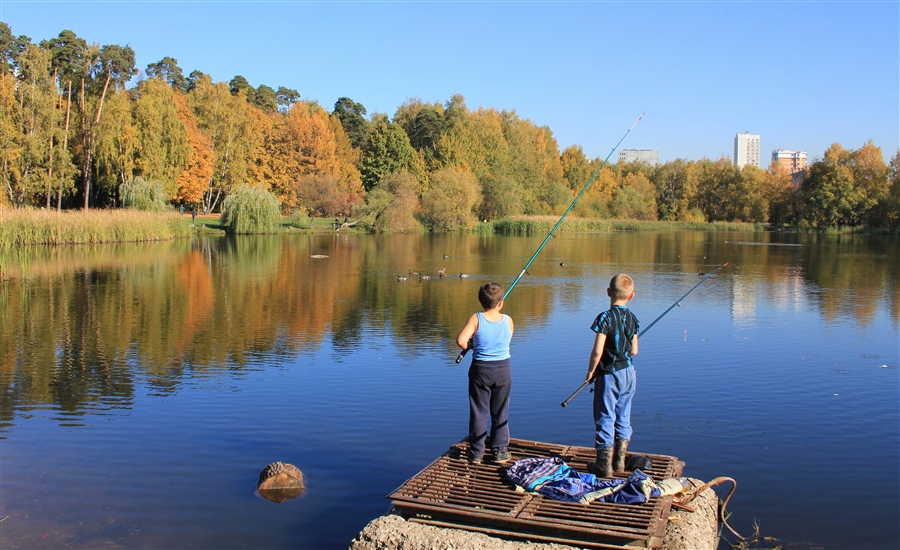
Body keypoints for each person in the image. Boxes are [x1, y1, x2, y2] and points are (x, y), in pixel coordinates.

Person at [584, 274, 639, 478]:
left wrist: (591, 371)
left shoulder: (605, 318)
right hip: (629, 373)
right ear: (631, 296)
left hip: (609, 374)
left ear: (608, 292)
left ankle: (604, 464)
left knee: (605, 415)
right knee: (623, 415)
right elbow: (634, 351)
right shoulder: (633, 319)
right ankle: (619, 461)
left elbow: (597, 351)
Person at [456, 282, 515, 465]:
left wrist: (472, 344)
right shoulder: (508, 320)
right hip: (503, 370)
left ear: (481, 301)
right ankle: (499, 451)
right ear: (501, 303)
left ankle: (476, 453)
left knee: (479, 411)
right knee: (500, 410)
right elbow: (507, 339)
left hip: (481, 370)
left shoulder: (476, 318)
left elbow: (461, 341)